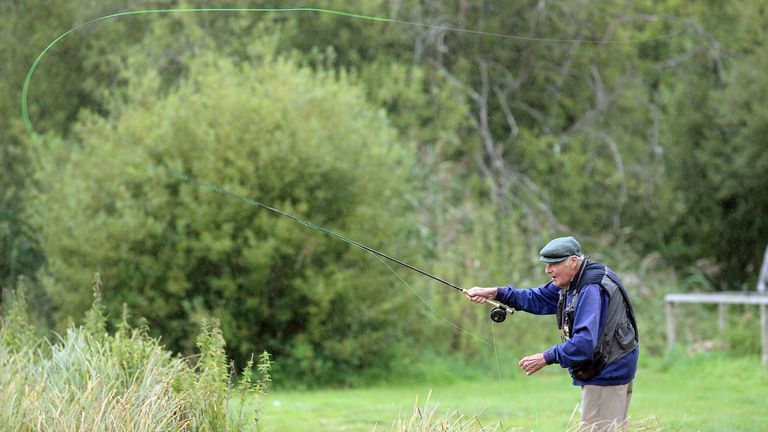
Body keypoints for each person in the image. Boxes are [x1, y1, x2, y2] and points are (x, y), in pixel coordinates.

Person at [465, 236, 639, 431]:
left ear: (573, 261)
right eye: (547, 265)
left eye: (553, 264)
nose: (548, 270)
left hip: (607, 374)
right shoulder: (574, 281)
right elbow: (537, 298)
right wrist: (496, 292)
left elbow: (584, 343)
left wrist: (546, 357)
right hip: (609, 368)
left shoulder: (590, 288)